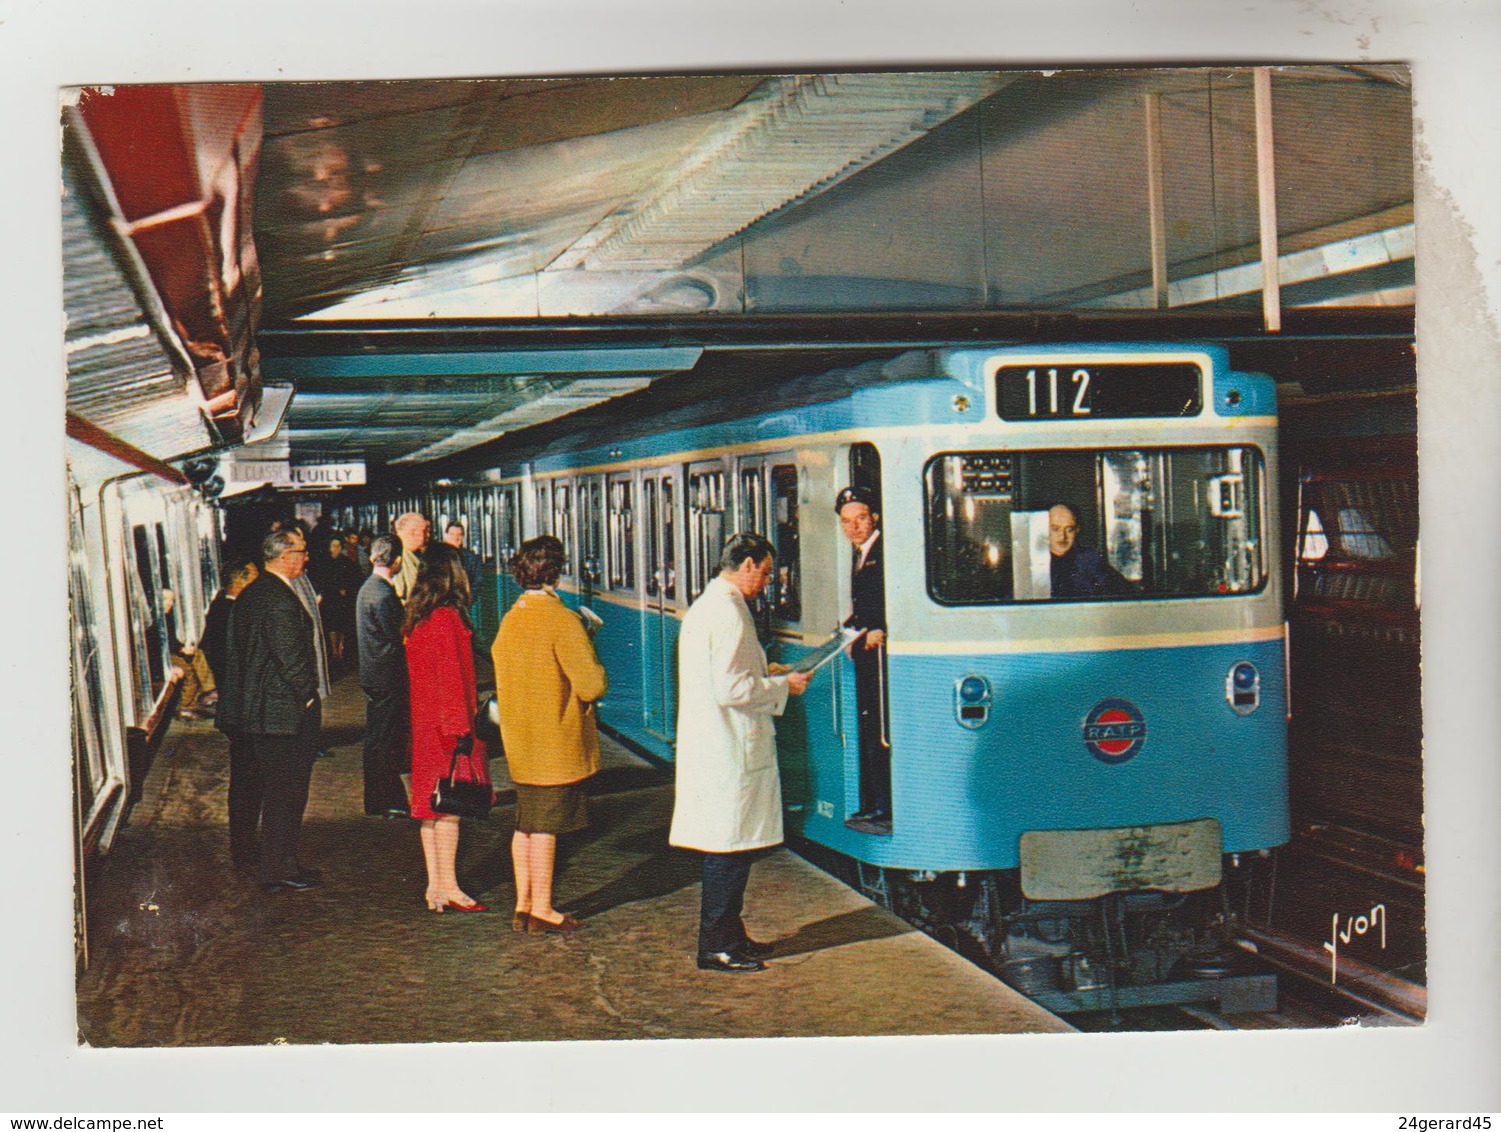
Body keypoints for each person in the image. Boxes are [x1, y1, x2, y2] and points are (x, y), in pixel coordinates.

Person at [669, 533, 811, 973]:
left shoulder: (709, 606)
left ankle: (731, 935)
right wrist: (780, 686)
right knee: (728, 852)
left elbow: (724, 674)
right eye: (765, 572)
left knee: (730, 849)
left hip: (718, 746)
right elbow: (731, 689)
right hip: (729, 749)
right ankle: (715, 946)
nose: (765, 582)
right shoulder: (729, 611)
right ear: (746, 564)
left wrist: (762, 671)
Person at [492, 535, 608, 936]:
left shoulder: (513, 617)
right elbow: (591, 685)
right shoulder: (561, 619)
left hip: (521, 739)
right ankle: (543, 908)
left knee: (525, 823)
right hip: (554, 741)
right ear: (556, 573)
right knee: (545, 828)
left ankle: (523, 904)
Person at [213, 528, 324, 893]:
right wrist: (308, 697)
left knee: (276, 792)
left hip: (261, 714)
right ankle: (277, 868)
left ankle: (280, 862)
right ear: (285, 557)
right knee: (287, 795)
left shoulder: (254, 593)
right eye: (302, 552)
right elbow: (289, 657)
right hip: (281, 715)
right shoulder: (278, 598)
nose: (307, 558)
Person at [404, 542, 491, 913]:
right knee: (451, 809)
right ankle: (450, 886)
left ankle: (434, 887)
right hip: (448, 728)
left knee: (430, 808)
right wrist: (461, 734)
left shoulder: (417, 617)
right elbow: (453, 679)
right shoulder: (448, 619)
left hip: (425, 725)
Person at [835, 485, 891, 832]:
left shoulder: (882, 553)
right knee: (870, 730)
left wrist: (871, 631)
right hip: (868, 656)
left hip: (880, 660)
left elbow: (884, 608)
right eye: (846, 521)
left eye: (861, 519)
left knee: (878, 730)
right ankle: (873, 804)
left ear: (875, 518)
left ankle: (881, 806)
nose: (854, 527)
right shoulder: (862, 552)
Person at [200, 558, 260, 873]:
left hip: (236, 710)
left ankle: (246, 845)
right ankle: (245, 849)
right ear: (241, 579)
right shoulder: (229, 612)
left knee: (246, 780)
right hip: (241, 712)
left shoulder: (221, 608)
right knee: (246, 781)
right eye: (255, 576)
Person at [355, 534, 411, 819]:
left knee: (377, 740)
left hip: (374, 674)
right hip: (388, 677)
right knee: (386, 743)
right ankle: (386, 799)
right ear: (397, 561)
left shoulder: (368, 588)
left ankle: (377, 799)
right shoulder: (384, 595)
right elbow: (400, 635)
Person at [1048, 504, 1132, 599]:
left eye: (1069, 530)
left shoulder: (1089, 559)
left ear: (1077, 531)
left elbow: (1125, 593)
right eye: (1055, 529)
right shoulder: (1034, 560)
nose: (1062, 536)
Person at [309, 534, 361, 666]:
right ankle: (334, 650)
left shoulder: (346, 562)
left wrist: (345, 588)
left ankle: (340, 649)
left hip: (343, 599)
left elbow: (353, 578)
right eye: (333, 546)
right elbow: (321, 580)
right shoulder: (324, 562)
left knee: (342, 624)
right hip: (330, 598)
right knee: (332, 624)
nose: (336, 549)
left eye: (338, 546)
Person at [391, 512, 432, 603]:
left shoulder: (419, 555)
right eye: (425, 531)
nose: (428, 535)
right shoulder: (396, 557)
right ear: (413, 532)